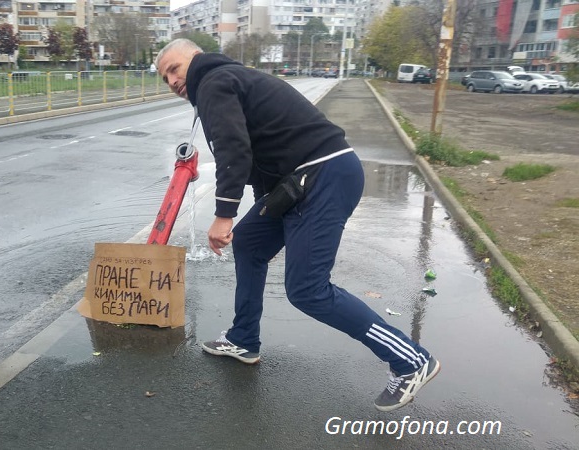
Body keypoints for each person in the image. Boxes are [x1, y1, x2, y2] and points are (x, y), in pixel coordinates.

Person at [155, 38, 440, 412]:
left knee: (308, 290)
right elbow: (260, 155)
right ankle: (243, 338)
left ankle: (410, 359)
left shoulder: (213, 82)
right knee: (250, 243)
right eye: (164, 78)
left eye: (174, 69)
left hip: (323, 176)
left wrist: (224, 214)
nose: (172, 80)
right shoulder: (226, 81)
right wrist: (259, 213)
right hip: (299, 182)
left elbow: (233, 148)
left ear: (195, 58)